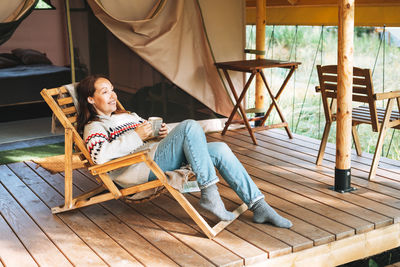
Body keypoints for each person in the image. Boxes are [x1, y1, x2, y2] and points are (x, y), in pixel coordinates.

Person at [76, 74, 292, 228]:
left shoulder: (127, 115)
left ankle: (259, 205)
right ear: (91, 99)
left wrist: (158, 133)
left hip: (153, 156)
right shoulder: (94, 126)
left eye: (112, 89)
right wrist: (138, 135)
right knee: (189, 126)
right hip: (139, 169)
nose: (113, 95)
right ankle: (209, 193)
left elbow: (144, 137)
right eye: (105, 92)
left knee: (220, 148)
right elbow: (100, 156)